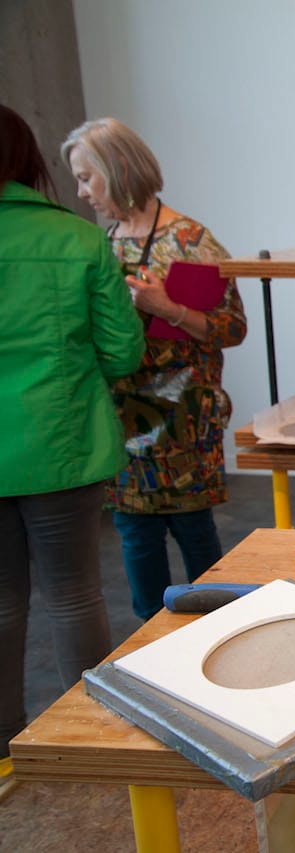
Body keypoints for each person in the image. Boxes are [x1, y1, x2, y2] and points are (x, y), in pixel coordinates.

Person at [0, 106, 145, 763]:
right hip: (63, 444)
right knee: (74, 593)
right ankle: (83, 736)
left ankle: (5, 743)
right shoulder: (79, 240)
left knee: (2, 605)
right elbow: (121, 353)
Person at [60, 119, 247, 621]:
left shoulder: (189, 241)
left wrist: (167, 308)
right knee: (134, 533)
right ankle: (151, 639)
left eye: (86, 177)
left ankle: (219, 627)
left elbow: (231, 329)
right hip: (120, 416)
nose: (81, 193)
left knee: (192, 529)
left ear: (116, 168)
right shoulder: (102, 243)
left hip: (182, 420)